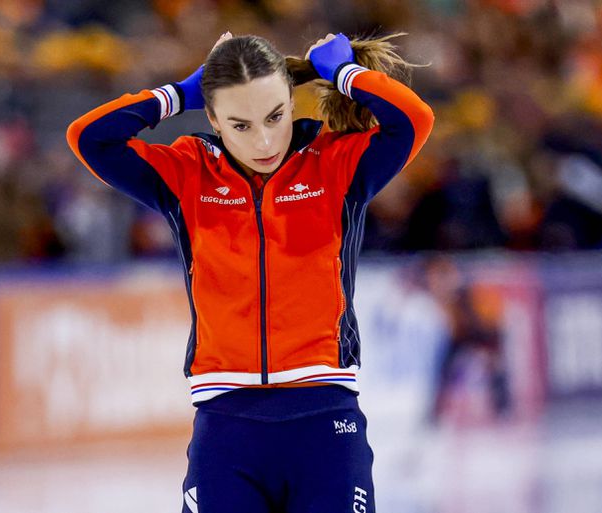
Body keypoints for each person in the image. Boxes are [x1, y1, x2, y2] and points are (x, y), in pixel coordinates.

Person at [67, 31, 434, 513]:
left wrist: (343, 74)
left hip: (325, 423)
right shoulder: (187, 174)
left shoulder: (336, 166)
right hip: (226, 431)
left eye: (276, 116)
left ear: (291, 101)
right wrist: (178, 93)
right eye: (240, 124)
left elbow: (414, 121)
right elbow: (90, 138)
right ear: (212, 118)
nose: (264, 141)